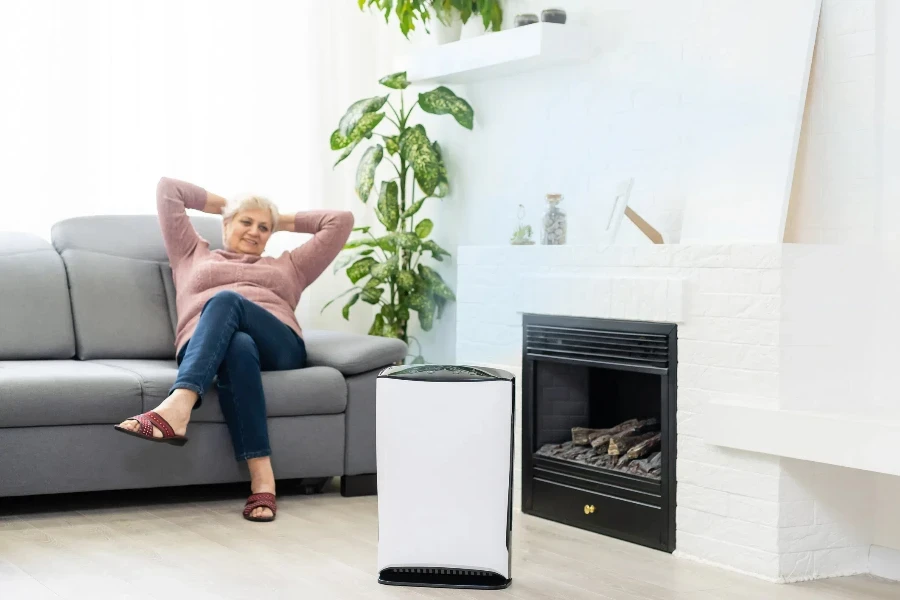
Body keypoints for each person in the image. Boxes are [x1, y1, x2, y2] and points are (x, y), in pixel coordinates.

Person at [115, 177, 353, 522]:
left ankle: (178, 405)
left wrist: (278, 218)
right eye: (246, 221)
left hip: (279, 346)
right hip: (207, 347)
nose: (255, 231)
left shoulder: (289, 266)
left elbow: (340, 221)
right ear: (226, 223)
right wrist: (232, 205)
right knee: (237, 344)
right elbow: (169, 190)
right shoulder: (191, 254)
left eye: (264, 228)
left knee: (227, 299)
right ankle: (263, 481)